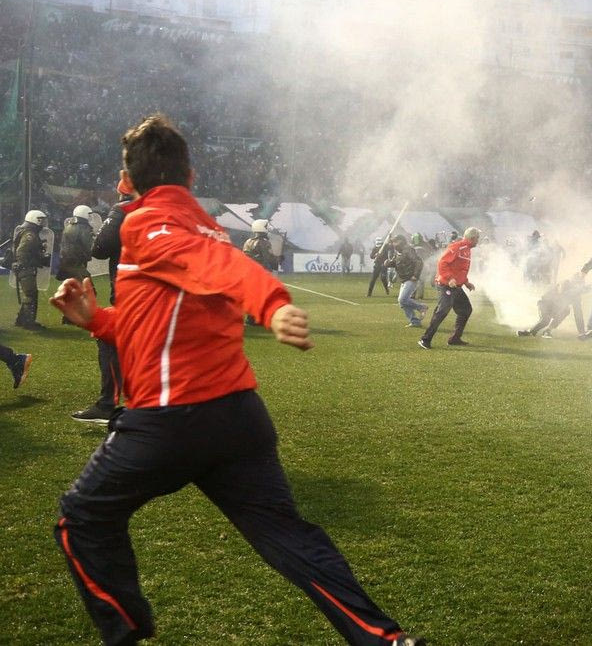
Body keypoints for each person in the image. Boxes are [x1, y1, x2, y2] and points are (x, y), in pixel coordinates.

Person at [50, 114, 423, 646]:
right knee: (287, 537)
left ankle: (126, 631)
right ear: (192, 176)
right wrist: (98, 321)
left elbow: (217, 264)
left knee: (80, 516)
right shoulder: (207, 223)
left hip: (172, 418)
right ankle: (384, 639)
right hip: (238, 417)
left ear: (126, 182)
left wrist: (272, 303)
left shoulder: (147, 223)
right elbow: (160, 321)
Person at [71, 189, 128, 425]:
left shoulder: (123, 210)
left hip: (133, 290)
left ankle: (107, 405)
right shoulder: (171, 208)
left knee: (108, 339)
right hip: (170, 292)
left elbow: (100, 249)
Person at [418, 227, 480, 349]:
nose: (478, 240)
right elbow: (442, 263)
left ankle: (455, 338)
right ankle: (425, 340)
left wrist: (466, 282)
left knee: (466, 310)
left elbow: (460, 269)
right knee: (443, 310)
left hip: (456, 286)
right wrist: (450, 278)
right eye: (477, 238)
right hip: (445, 284)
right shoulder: (457, 247)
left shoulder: (467, 249)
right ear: (472, 238)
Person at [12, 209, 50, 330]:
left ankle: (21, 320)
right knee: (30, 294)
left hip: (24, 268)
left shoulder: (29, 232)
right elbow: (21, 252)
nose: (42, 223)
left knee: (30, 294)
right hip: (25, 268)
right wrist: (36, 260)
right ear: (34, 220)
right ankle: (28, 323)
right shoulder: (30, 234)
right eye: (40, 220)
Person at [516, 274, 586, 338]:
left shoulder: (577, 296)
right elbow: (560, 293)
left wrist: (582, 332)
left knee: (566, 310)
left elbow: (578, 314)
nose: (577, 286)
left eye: (579, 284)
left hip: (556, 307)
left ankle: (547, 330)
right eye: (577, 283)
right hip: (545, 304)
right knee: (546, 320)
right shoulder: (565, 283)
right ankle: (530, 332)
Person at [385, 234, 427, 328]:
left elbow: (418, 262)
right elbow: (395, 263)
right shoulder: (398, 252)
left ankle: (421, 307)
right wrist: (387, 263)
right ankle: (415, 321)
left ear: (401, 241)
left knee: (402, 299)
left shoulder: (408, 250)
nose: (393, 244)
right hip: (404, 279)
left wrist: (415, 275)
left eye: (395, 242)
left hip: (410, 278)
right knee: (402, 302)